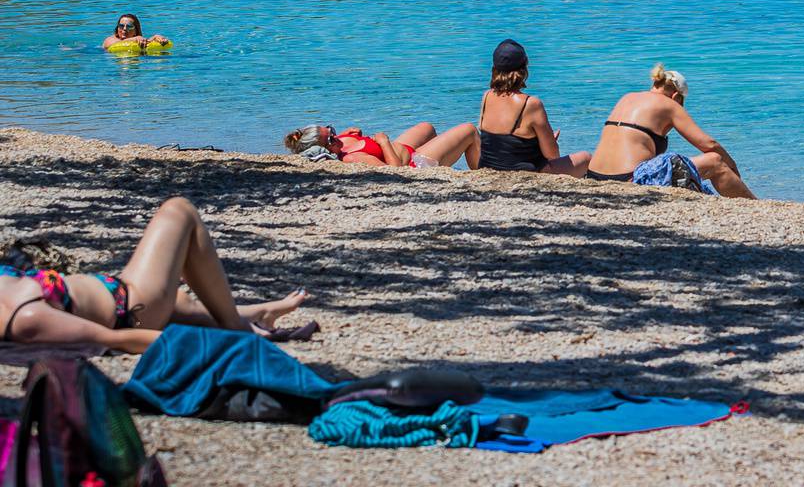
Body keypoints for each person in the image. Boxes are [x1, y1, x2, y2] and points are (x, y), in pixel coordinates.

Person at [2, 197, 313, 353]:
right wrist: (226, 348)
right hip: (134, 309)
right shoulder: (24, 316)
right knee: (178, 210)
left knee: (183, 301)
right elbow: (114, 339)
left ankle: (260, 314)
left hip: (122, 293)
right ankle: (239, 330)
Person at [583, 65, 755, 198]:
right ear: (675, 96)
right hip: (631, 180)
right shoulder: (669, 104)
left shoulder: (627, 97)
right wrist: (733, 167)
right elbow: (709, 144)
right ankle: (753, 205)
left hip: (594, 177)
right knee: (716, 161)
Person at [465, 39, 589, 175]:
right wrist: (550, 141)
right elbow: (552, 154)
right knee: (586, 158)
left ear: (494, 69)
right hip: (528, 173)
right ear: (523, 69)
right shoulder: (531, 104)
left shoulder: (486, 96)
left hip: (489, 169)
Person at [284, 120, 475, 168]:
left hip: (401, 148)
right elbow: (394, 171)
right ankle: (482, 170)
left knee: (427, 127)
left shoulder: (340, 142)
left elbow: (339, 140)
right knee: (469, 130)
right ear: (326, 149)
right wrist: (383, 142)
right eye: (331, 138)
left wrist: (346, 134)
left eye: (331, 129)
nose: (337, 136)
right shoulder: (352, 158)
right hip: (414, 163)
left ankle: (448, 152)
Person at [103, 12, 169, 52]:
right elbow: (114, 45)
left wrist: (156, 37)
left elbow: (147, 41)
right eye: (121, 26)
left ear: (136, 30)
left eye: (129, 26)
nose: (124, 29)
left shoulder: (138, 40)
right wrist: (134, 38)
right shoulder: (110, 40)